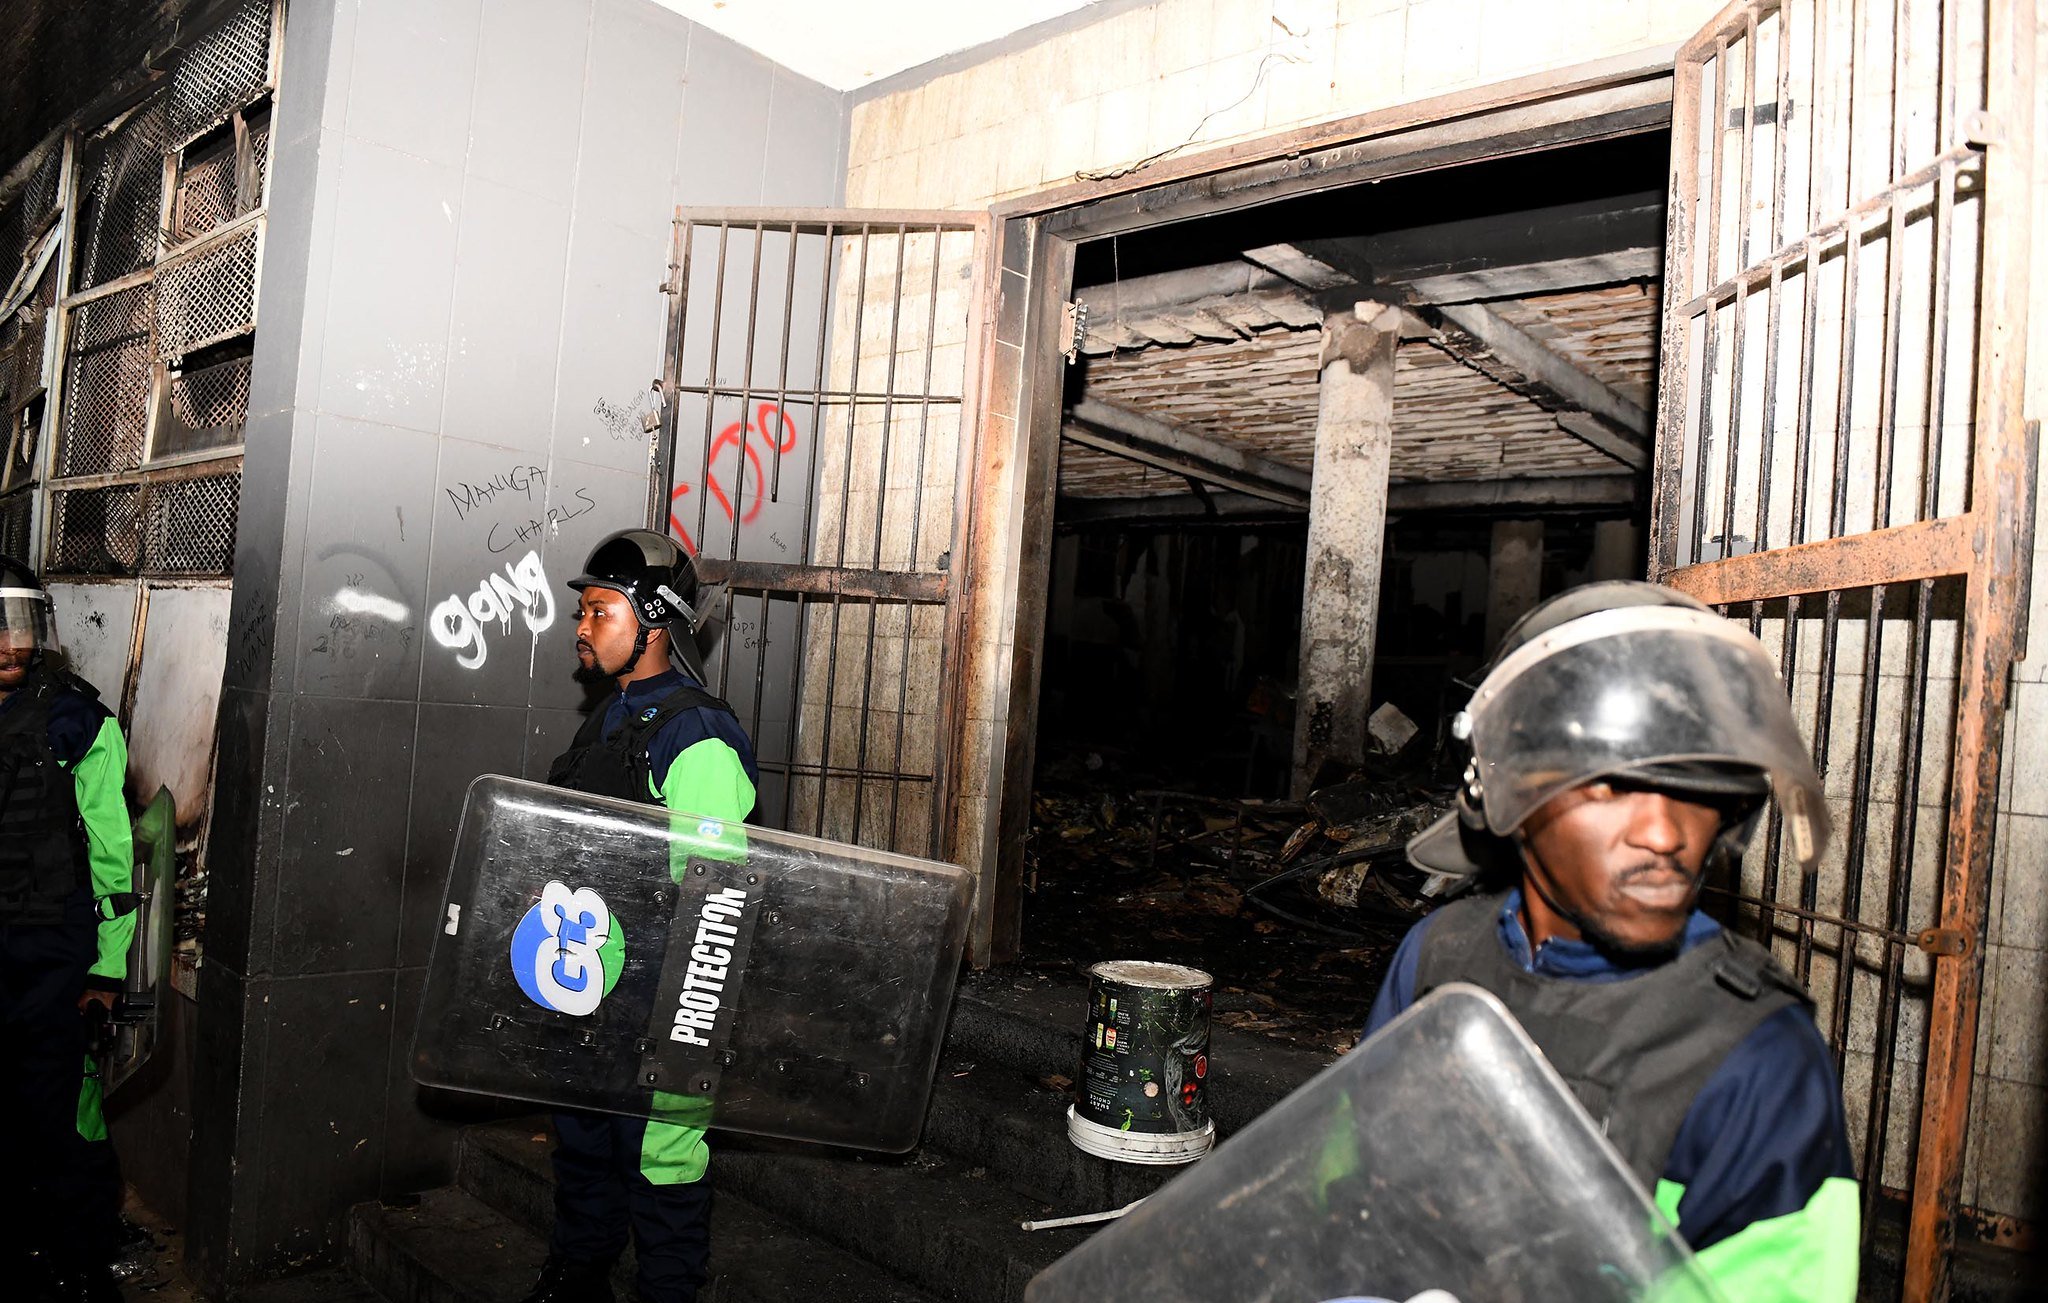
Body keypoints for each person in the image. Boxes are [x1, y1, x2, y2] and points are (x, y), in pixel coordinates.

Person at [1364, 581, 1857, 1303]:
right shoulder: (1437, 958)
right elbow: (1356, 1189)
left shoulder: (1758, 1058)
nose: (1664, 833)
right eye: (1608, 785)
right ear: (1509, 796)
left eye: (1695, 787)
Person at [520, 529, 758, 1303]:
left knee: (663, 1165)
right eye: (582, 611)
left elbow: (717, 900)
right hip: (590, 989)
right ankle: (578, 1278)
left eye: (598, 610)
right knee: (583, 1147)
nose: (581, 627)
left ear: (653, 622)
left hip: (663, 1001)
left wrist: (684, 1033)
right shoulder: (608, 721)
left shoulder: (698, 738)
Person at [0, 556, 134, 1303]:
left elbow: (115, 858)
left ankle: (82, 1261)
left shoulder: (75, 718)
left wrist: (107, 971)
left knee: (65, 1119)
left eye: (19, 624)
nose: (9, 643)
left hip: (55, 961)